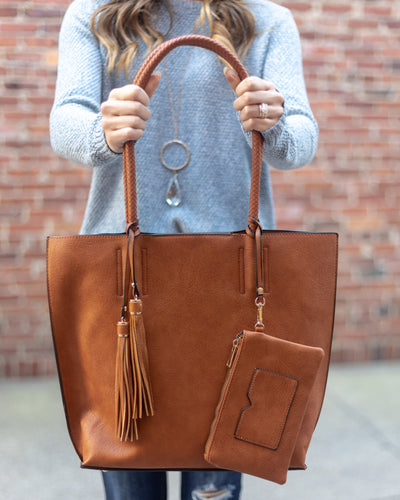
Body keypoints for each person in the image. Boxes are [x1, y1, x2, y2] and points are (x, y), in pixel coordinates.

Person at [50, 0, 318, 498]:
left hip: (230, 290)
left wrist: (273, 122)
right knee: (130, 474)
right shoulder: (93, 14)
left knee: (214, 481)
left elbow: (300, 140)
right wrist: (101, 132)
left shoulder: (268, 20)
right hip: (125, 292)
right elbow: (65, 119)